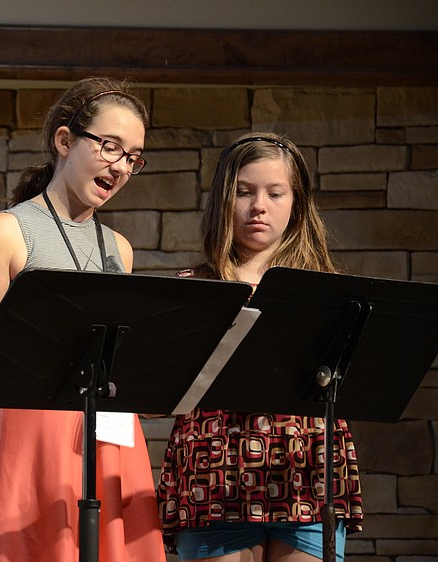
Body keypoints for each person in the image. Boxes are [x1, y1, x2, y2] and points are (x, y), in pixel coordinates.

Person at [0, 77, 166, 562]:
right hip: (35, 448)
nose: (121, 167)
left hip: (115, 445)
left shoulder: (119, 248)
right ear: (64, 141)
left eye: (133, 157)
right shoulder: (7, 231)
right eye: (110, 147)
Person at [156, 133, 364, 562]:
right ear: (222, 202)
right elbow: (160, 392)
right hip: (215, 474)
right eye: (244, 192)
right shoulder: (194, 288)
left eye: (275, 193)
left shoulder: (327, 290)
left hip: (304, 468)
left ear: (297, 202)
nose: (259, 206)